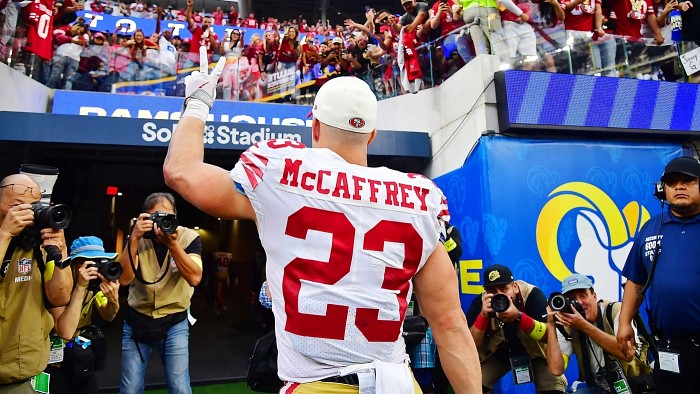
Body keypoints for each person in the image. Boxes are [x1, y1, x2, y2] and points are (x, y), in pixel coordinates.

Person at [163, 48, 481, 393]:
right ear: (372, 135)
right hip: (396, 383)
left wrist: (197, 102)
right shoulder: (418, 198)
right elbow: (449, 324)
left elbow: (182, 173)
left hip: (317, 384)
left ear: (314, 125)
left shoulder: (281, 176)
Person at [618, 156, 700, 393]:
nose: (679, 187)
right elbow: (635, 279)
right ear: (662, 190)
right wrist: (624, 322)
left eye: (688, 181)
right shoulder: (651, 228)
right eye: (672, 182)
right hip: (669, 347)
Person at [117, 192, 203, 394]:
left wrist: (172, 244)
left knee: (180, 388)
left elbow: (195, 278)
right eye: (155, 217)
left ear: (175, 216)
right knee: (130, 388)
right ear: (144, 217)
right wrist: (135, 238)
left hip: (174, 321)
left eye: (167, 216)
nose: (161, 222)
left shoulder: (188, 237)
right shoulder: (137, 238)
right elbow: (124, 279)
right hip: (137, 320)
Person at [0, 174, 73, 391]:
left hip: (24, 371)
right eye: (16, 206)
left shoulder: (38, 246)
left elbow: (60, 297)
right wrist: (5, 234)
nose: (26, 213)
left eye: (32, 207)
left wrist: (61, 250)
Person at [465, 264, 566, 393]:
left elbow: (549, 336)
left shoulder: (531, 295)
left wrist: (518, 317)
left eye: (503, 289)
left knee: (553, 387)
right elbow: (471, 346)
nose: (499, 295)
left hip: (536, 353)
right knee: (472, 385)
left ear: (515, 287)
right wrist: (483, 316)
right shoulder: (482, 302)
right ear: (485, 292)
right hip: (499, 353)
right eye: (492, 291)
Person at [546, 274, 646, 393]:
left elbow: (628, 353)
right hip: (597, 387)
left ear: (594, 296)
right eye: (572, 298)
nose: (579, 302)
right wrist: (551, 324)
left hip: (632, 385)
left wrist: (583, 325)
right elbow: (556, 369)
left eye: (583, 296)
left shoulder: (615, 311)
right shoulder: (567, 324)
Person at [45, 236, 120, 394]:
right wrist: (80, 287)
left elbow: (108, 315)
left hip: (79, 356)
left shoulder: (94, 285)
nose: (93, 268)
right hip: (53, 361)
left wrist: (114, 301)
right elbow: (65, 332)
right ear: (74, 263)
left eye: (98, 262)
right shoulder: (58, 282)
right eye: (88, 262)